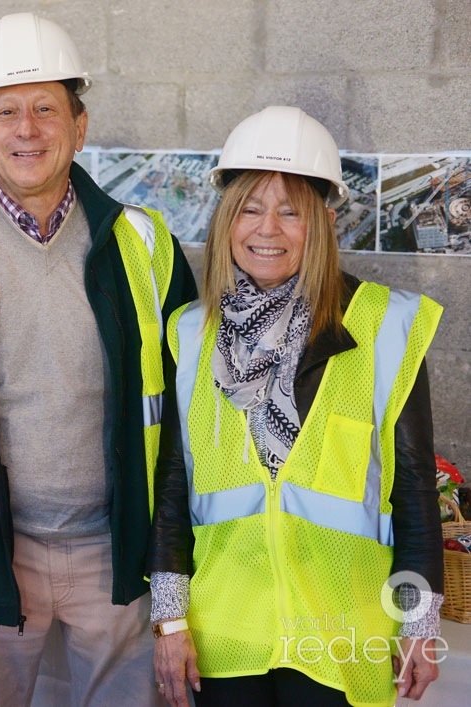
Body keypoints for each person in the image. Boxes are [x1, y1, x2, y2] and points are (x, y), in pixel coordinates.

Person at [0, 12, 197, 706]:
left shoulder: (145, 248)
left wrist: (171, 576)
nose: (28, 130)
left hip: (117, 557)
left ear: (79, 127)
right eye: (7, 113)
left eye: (46, 109)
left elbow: (186, 427)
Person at [149, 105, 444, 707]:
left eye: (290, 211)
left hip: (341, 636)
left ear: (325, 221)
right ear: (227, 218)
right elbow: (174, 487)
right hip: (226, 633)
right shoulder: (190, 332)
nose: (268, 229)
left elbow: (413, 492)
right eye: (250, 208)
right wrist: (170, 622)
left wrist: (420, 623)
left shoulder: (387, 325)